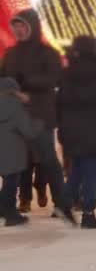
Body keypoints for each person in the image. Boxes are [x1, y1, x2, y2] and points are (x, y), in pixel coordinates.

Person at [0, 8, 75, 224]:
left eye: (23, 26)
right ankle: (8, 206)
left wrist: (27, 84)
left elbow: (54, 78)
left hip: (39, 114)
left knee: (48, 161)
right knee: (12, 162)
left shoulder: (47, 53)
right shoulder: (11, 54)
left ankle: (62, 203)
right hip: (15, 115)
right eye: (16, 27)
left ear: (32, 27)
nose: (19, 30)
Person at [58, 36, 96, 228]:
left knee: (76, 170)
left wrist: (62, 130)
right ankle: (88, 213)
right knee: (90, 172)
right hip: (94, 128)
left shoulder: (66, 73)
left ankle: (65, 202)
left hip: (71, 129)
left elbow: (60, 104)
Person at [0, 77, 41, 226]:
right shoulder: (17, 106)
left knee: (7, 183)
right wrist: (38, 124)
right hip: (14, 153)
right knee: (11, 184)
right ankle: (11, 214)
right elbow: (28, 130)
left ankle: (4, 209)